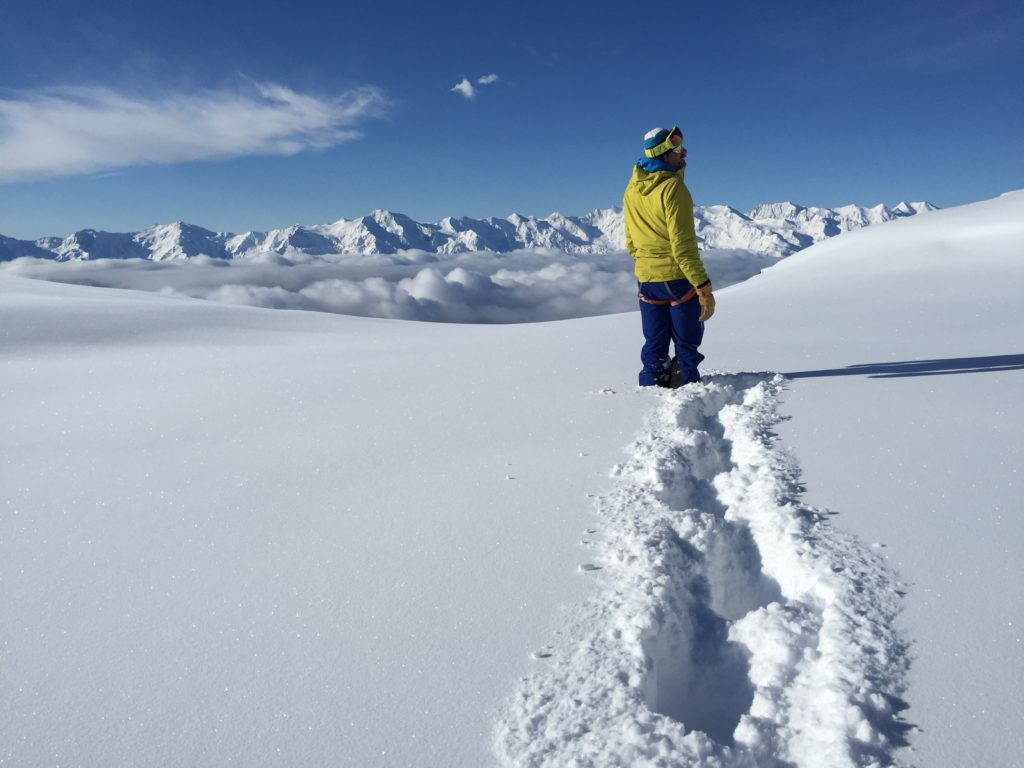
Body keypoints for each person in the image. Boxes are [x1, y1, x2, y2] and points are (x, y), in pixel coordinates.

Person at [622, 126, 715, 387]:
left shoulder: (632, 189)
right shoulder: (673, 189)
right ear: (664, 153)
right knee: (686, 343)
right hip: (677, 278)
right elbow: (682, 245)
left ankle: (651, 389)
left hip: (647, 280)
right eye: (676, 147)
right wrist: (703, 287)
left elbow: (630, 241)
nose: (683, 151)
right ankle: (687, 389)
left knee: (654, 343)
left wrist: (647, 264)